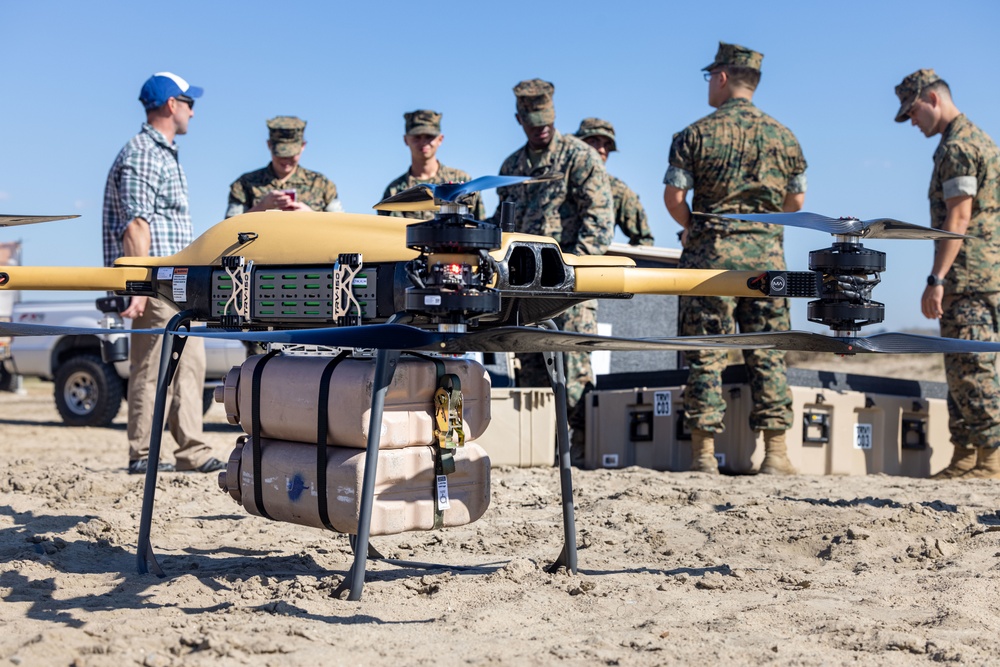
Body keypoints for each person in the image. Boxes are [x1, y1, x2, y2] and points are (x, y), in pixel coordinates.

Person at [663, 42, 807, 475]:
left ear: (723, 77)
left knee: (706, 350)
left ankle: (704, 455)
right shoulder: (785, 137)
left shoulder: (694, 134)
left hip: (711, 260)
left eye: (711, 76)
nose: (709, 83)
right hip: (766, 260)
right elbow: (796, 201)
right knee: (767, 350)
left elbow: (673, 197)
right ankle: (776, 454)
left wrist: (692, 226)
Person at [102, 72, 224, 475]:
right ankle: (143, 454)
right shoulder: (143, 152)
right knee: (154, 366)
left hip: (176, 280)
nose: (193, 111)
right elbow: (137, 224)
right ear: (172, 104)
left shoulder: (163, 152)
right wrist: (139, 284)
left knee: (189, 364)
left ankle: (190, 450)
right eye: (190, 102)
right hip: (155, 280)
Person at [494, 79, 614, 465]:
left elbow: (599, 219)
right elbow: (501, 224)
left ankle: (576, 452)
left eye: (545, 120)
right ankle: (539, 451)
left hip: (570, 288)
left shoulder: (579, 157)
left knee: (573, 369)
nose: (541, 128)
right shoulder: (511, 167)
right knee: (530, 369)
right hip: (523, 290)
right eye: (532, 122)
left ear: (554, 114)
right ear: (519, 120)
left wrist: (575, 270)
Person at [895, 68, 1000, 480]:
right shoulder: (971, 140)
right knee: (959, 370)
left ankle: (990, 460)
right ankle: (965, 457)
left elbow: (958, 216)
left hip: (969, 277)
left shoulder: (959, 146)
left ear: (933, 99)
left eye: (913, 112)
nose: (912, 122)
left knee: (973, 370)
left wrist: (936, 278)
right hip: (977, 274)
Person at [379, 110, 485, 220]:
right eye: (417, 137)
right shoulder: (395, 191)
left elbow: (479, 227)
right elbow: (385, 232)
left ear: (440, 139)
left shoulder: (461, 182)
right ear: (406, 139)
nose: (423, 142)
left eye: (429, 137)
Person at [226, 116, 342, 217]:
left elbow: (340, 228)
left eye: (291, 155)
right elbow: (228, 230)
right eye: (280, 154)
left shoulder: (322, 185)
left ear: (303, 146)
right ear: (269, 145)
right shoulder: (244, 184)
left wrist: (312, 216)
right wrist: (261, 207)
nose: (286, 160)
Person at [575, 117, 654, 246]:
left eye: (607, 145)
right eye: (594, 141)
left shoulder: (618, 191)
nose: (601, 150)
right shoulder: (553, 181)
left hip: (585, 262)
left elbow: (644, 241)